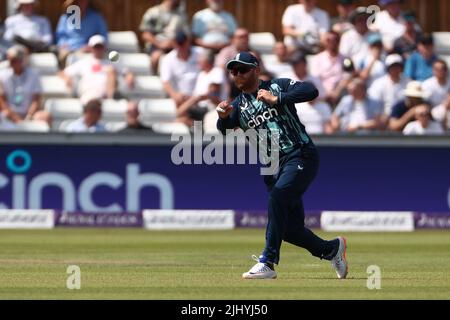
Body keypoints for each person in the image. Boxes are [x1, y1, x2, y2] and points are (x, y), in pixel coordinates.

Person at [216, 51, 348, 280]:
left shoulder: (277, 86)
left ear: (256, 70)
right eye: (233, 70)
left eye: (242, 69)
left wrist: (278, 100)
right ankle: (331, 249)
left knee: (277, 198)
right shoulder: (238, 105)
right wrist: (224, 116)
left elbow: (311, 90)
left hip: (300, 154)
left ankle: (267, 261)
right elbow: (225, 130)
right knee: (289, 229)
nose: (237, 74)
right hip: (273, 167)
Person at [59, 35, 135, 105]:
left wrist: (129, 76)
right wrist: (67, 78)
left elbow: (126, 72)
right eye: (96, 47)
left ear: (104, 47)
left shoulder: (111, 61)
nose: (98, 49)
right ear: (91, 48)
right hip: (89, 95)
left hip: (107, 97)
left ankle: (112, 98)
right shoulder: (84, 62)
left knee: (111, 71)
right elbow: (63, 72)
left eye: (100, 47)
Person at [0, 44, 51, 125]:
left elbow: (36, 99)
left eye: (13, 60)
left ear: (21, 60)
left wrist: (29, 116)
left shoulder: (34, 75)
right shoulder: (2, 75)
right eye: (9, 60)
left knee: (45, 116)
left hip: (29, 115)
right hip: (9, 114)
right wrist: (13, 116)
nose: (10, 63)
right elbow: (2, 100)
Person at [139, 0, 188, 74]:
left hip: (177, 46)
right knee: (156, 57)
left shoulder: (181, 15)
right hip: (157, 46)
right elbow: (145, 34)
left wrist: (176, 45)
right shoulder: (153, 12)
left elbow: (186, 34)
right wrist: (160, 44)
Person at [55, 0, 108, 68]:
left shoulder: (96, 17)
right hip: (68, 50)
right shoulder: (65, 17)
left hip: (87, 51)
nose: (81, 3)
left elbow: (103, 37)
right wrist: (63, 44)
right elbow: (60, 36)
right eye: (79, 1)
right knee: (64, 58)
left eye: (84, 1)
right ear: (74, 3)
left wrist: (92, 46)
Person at [160, 31, 202, 107]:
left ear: (188, 42)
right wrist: (175, 95)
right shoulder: (167, 59)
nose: (181, 46)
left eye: (183, 43)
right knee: (184, 117)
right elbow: (165, 82)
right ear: (173, 44)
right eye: (178, 43)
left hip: (201, 99)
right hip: (182, 101)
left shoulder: (201, 53)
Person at [310, 31, 345, 105]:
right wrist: (326, 93)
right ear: (324, 42)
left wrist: (336, 92)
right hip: (322, 94)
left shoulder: (345, 58)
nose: (332, 42)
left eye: (335, 39)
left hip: (340, 93)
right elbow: (315, 78)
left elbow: (346, 77)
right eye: (328, 40)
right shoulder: (317, 59)